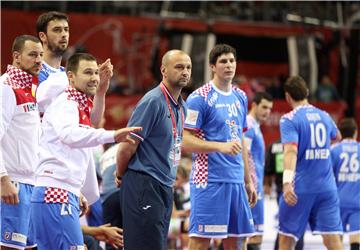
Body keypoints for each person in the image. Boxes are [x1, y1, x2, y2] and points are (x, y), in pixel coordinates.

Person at [30, 53, 141, 250]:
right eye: (88, 72)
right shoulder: (66, 102)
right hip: (56, 191)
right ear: (71, 77)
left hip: (61, 190)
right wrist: (113, 135)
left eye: (96, 73)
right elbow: (70, 135)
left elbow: (92, 124)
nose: (94, 78)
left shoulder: (77, 102)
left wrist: (102, 91)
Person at [182, 44, 257, 250]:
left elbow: (239, 139)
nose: (229, 65)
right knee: (200, 241)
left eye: (232, 61)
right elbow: (185, 140)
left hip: (236, 180)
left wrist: (248, 180)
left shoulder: (240, 97)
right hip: (210, 180)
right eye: (223, 61)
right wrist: (220, 147)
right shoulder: (199, 97)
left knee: (237, 241)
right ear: (212, 67)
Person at [116, 49, 191, 250]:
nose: (185, 72)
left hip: (164, 187)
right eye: (179, 67)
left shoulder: (182, 107)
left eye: (188, 67)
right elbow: (127, 146)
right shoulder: (153, 101)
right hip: (144, 183)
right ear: (163, 70)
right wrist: (121, 173)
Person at [279, 75, 343, 250]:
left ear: (287, 97)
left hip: (301, 188)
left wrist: (286, 182)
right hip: (327, 188)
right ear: (307, 92)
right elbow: (337, 137)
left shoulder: (289, 119)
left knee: (287, 239)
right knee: (332, 240)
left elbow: (290, 151)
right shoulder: (324, 115)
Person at [0, 35, 43, 250]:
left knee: (28, 247)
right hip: (13, 183)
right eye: (33, 54)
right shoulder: (6, 87)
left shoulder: (30, 89)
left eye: (41, 55)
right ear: (16, 56)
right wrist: (2, 179)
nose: (39, 60)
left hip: (31, 183)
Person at [35, 11, 112, 128]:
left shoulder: (69, 75)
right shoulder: (34, 71)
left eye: (66, 30)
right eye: (57, 30)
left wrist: (100, 91)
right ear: (42, 36)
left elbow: (93, 120)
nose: (64, 34)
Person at [244, 92, 273, 250]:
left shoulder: (255, 126)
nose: (267, 111)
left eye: (269, 108)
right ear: (254, 105)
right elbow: (244, 155)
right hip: (252, 189)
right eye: (264, 107)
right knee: (254, 237)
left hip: (255, 186)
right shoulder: (248, 125)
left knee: (252, 236)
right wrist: (250, 184)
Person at [264, 140, 305, 250]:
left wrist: (267, 185)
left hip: (281, 191)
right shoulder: (301, 144)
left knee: (286, 225)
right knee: (296, 225)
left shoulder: (274, 146)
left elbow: (268, 171)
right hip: (298, 190)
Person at [330, 118, 360, 250]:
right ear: (355, 133)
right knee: (356, 239)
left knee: (337, 241)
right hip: (357, 203)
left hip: (337, 203)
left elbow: (327, 177)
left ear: (340, 133)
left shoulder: (333, 150)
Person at [99, 143, 124, 250]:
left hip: (108, 197)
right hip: (123, 189)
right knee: (136, 234)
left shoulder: (103, 156)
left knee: (113, 238)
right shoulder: (125, 145)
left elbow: (99, 178)